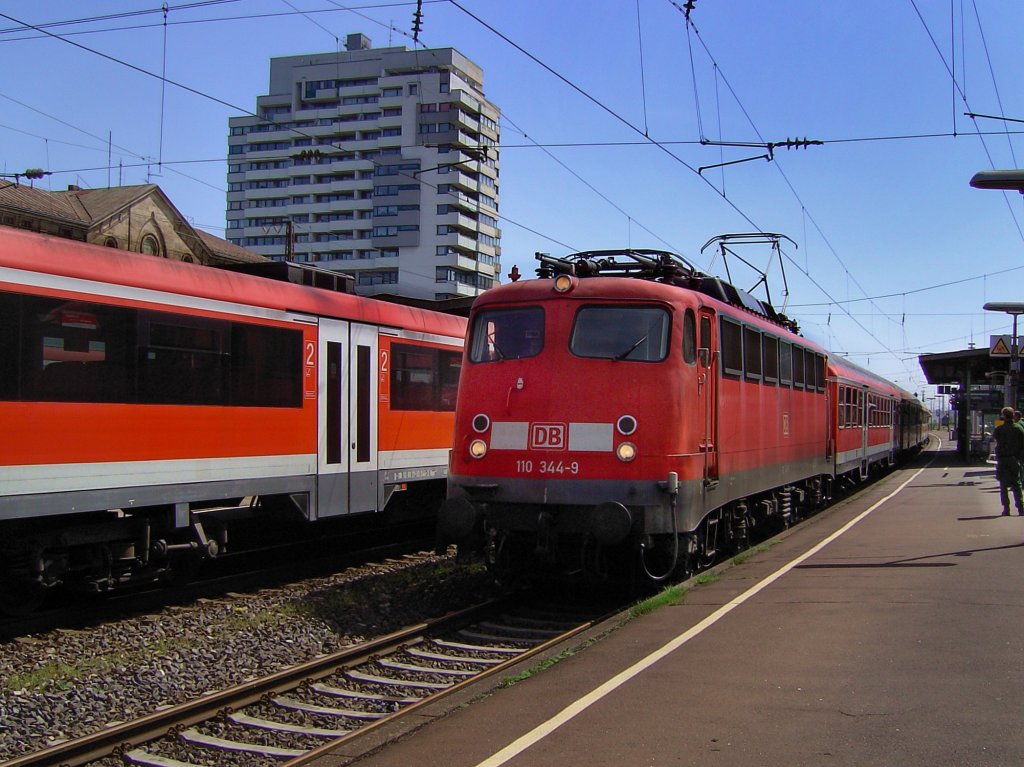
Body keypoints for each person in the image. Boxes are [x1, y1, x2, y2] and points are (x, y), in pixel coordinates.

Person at [992, 406, 1024, 515]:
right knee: (1017, 484)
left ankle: (1006, 509)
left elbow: (995, 438)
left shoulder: (1000, 429)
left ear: (1004, 416)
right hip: (1015, 459)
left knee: (1003, 485)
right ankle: (1021, 508)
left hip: (1003, 460)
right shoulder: (1019, 428)